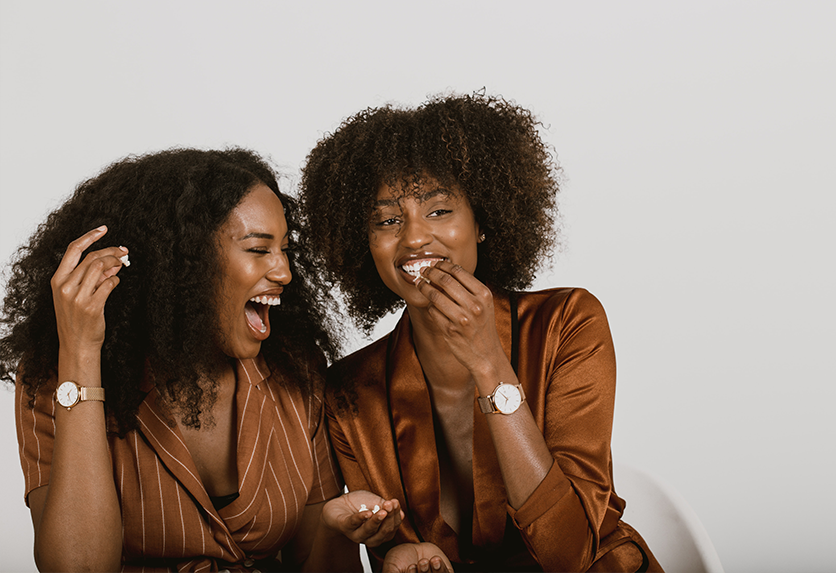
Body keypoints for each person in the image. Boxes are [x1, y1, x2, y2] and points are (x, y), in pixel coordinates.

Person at [298, 93, 665, 572]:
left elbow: (569, 553)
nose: (412, 238)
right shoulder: (349, 392)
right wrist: (401, 555)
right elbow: (392, 550)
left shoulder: (568, 323)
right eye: (388, 220)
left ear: (483, 221)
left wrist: (488, 363)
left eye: (439, 211)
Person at [1, 148, 403, 572]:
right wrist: (81, 356)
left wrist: (336, 528)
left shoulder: (295, 369)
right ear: (181, 265)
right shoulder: (57, 377)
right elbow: (77, 568)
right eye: (258, 249)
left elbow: (318, 566)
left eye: (284, 249)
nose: (284, 271)